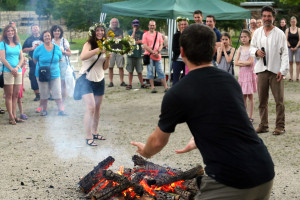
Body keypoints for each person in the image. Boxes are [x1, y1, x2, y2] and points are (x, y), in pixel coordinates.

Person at [131, 24, 275, 200]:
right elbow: (233, 123)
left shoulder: (178, 92)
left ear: (182, 52)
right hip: (264, 169)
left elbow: (158, 141)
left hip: (232, 180)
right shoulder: (230, 81)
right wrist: (201, 139)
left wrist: (145, 152)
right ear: (214, 49)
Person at [250, 6, 289, 135]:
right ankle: (263, 125)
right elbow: (251, 47)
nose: (267, 18)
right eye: (265, 16)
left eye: (269, 16)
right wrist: (256, 52)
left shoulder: (280, 33)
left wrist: (283, 71)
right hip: (261, 69)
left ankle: (280, 126)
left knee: (279, 100)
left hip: (275, 71)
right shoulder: (257, 32)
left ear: (274, 17)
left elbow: (284, 54)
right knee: (262, 100)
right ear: (262, 17)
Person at [79, 23, 110, 146]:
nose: (100, 32)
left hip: (99, 79)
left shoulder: (107, 44)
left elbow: (105, 67)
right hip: (86, 79)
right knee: (91, 107)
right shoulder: (89, 44)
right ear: (94, 32)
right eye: (98, 30)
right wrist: (98, 50)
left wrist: (108, 58)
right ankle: (88, 136)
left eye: (102, 30)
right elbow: (82, 56)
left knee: (97, 108)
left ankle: (95, 132)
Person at [33, 30, 66, 117]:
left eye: (48, 36)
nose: (47, 37)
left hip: (55, 73)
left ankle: (61, 110)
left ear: (51, 37)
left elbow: (59, 59)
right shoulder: (38, 48)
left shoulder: (57, 48)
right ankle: (44, 110)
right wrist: (44, 68)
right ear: (42, 38)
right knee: (44, 93)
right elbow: (35, 60)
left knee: (57, 92)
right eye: (45, 36)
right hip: (42, 74)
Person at [0, 25, 24, 125]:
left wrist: (17, 67)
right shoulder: (3, 44)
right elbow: (2, 58)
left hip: (18, 71)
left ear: (14, 32)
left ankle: (14, 115)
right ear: (5, 33)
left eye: (12, 31)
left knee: (15, 95)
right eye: (8, 31)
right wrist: (11, 69)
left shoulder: (18, 44)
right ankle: (10, 117)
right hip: (7, 71)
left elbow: (21, 58)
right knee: (9, 95)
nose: (10, 32)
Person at [234, 29, 257, 122]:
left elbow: (251, 62)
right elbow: (235, 62)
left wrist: (241, 62)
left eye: (245, 37)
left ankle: (250, 116)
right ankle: (244, 115)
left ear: (249, 37)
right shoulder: (240, 48)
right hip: (242, 75)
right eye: (241, 37)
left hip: (250, 74)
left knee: (250, 96)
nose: (243, 39)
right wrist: (244, 63)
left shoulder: (252, 48)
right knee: (243, 96)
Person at [142, 20, 168, 93]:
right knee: (150, 72)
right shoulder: (145, 35)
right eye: (151, 25)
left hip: (157, 55)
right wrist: (153, 52)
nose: (152, 27)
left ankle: (166, 87)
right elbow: (145, 45)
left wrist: (158, 51)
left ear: (155, 26)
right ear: (148, 26)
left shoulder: (159, 34)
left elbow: (161, 44)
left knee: (161, 71)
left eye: (153, 25)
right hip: (149, 55)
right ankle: (152, 87)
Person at [50, 25, 72, 104]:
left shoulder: (64, 41)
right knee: (54, 84)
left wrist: (64, 52)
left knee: (63, 84)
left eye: (58, 31)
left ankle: (62, 103)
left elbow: (69, 53)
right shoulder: (50, 41)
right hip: (52, 65)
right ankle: (57, 102)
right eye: (55, 31)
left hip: (63, 65)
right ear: (52, 32)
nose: (57, 32)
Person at [125, 19, 148, 90]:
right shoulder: (129, 32)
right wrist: (134, 31)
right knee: (130, 71)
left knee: (139, 71)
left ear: (139, 25)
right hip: (130, 54)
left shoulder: (142, 33)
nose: (136, 26)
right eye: (134, 25)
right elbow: (129, 40)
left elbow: (143, 41)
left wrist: (135, 42)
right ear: (132, 25)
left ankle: (142, 84)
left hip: (138, 54)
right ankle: (130, 84)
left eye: (137, 25)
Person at [22, 24, 42, 103]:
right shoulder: (29, 40)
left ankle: (48, 93)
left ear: (39, 29)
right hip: (32, 61)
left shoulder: (43, 37)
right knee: (33, 77)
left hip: (44, 60)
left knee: (46, 75)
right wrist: (32, 48)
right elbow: (23, 49)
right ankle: (37, 94)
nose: (35, 29)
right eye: (33, 28)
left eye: (36, 27)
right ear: (31, 30)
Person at [107, 18, 127, 87]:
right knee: (110, 67)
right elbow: (108, 39)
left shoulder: (120, 30)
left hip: (119, 50)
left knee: (121, 66)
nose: (114, 23)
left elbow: (121, 38)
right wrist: (116, 38)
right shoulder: (108, 30)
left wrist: (112, 38)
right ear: (111, 23)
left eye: (116, 22)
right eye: (113, 22)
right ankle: (111, 82)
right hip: (111, 50)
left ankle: (122, 81)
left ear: (117, 23)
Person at [172, 17, 189, 85]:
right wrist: (183, 48)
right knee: (175, 77)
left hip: (187, 59)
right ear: (179, 26)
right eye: (181, 24)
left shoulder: (190, 35)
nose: (183, 26)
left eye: (184, 24)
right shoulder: (176, 35)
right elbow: (174, 49)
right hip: (177, 59)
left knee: (186, 77)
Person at [285, 16, 300, 82]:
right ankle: (291, 77)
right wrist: (290, 47)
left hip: (297, 48)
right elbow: (286, 40)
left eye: (294, 22)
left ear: (296, 22)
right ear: (290, 22)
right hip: (289, 48)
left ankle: (297, 77)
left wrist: (296, 47)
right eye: (292, 22)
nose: (293, 23)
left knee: (298, 62)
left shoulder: (299, 29)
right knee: (290, 62)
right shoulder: (287, 30)